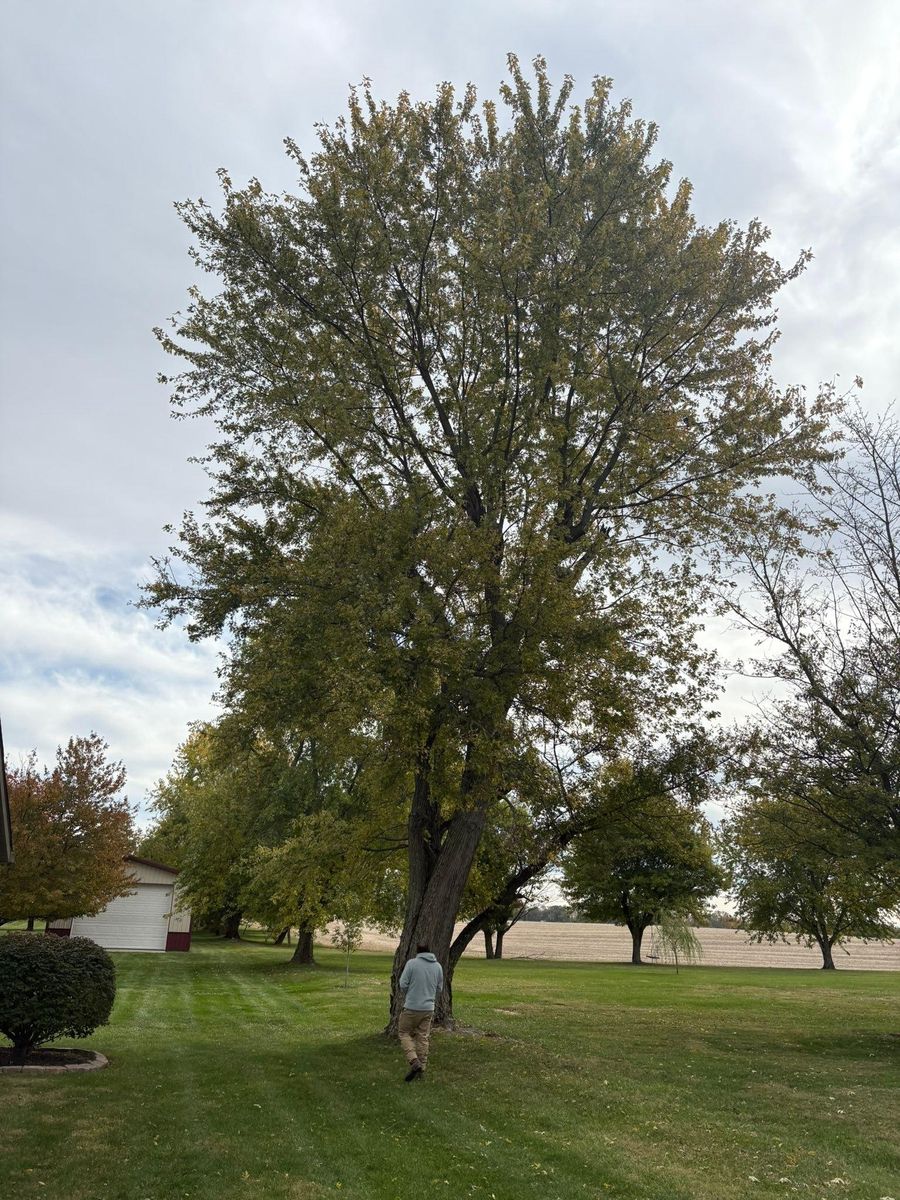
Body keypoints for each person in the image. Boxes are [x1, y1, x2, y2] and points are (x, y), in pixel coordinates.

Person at [397, 943, 444, 1082]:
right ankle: (422, 1067)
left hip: (411, 1007)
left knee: (404, 1033)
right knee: (423, 1036)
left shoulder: (412, 963)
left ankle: (413, 1060)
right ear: (429, 951)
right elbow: (439, 988)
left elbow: (403, 983)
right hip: (428, 1008)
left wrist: (410, 994)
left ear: (417, 951)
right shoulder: (438, 966)